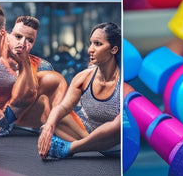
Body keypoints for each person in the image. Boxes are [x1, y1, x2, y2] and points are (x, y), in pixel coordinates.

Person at [0, 5, 74, 138]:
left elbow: (34, 95)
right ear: (6, 35)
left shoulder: (41, 66)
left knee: (53, 81)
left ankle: (54, 131)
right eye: (18, 37)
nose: (23, 44)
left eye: (30, 40)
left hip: (20, 121)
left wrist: (24, 62)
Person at [38, 22, 121, 160]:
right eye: (91, 43)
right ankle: (93, 146)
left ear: (114, 49)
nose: (90, 50)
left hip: (114, 137)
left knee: (121, 123)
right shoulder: (83, 77)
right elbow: (63, 107)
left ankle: (72, 148)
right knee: (51, 115)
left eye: (98, 44)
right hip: (84, 131)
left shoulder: (122, 80)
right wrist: (49, 127)